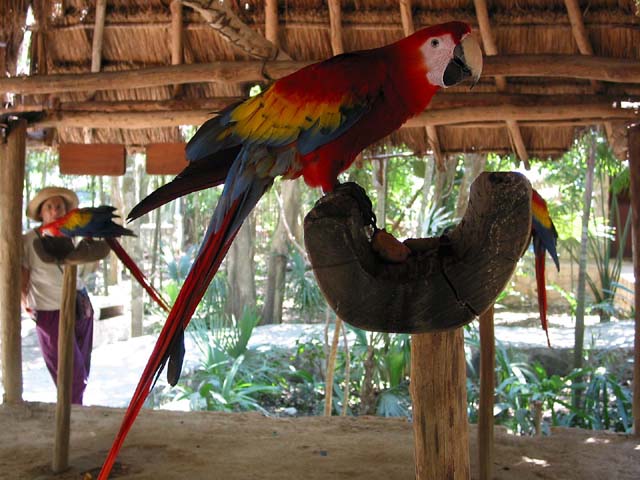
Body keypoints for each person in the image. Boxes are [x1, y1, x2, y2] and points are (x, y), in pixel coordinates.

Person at [21, 187, 108, 405]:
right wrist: (24, 303)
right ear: (41, 213)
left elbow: (89, 266)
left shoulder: (75, 234)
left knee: (82, 369)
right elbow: (23, 277)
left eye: (59, 206)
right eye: (49, 207)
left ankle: (72, 413)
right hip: (50, 312)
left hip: (81, 307)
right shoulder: (30, 240)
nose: (54, 211)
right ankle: (71, 417)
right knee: (71, 376)